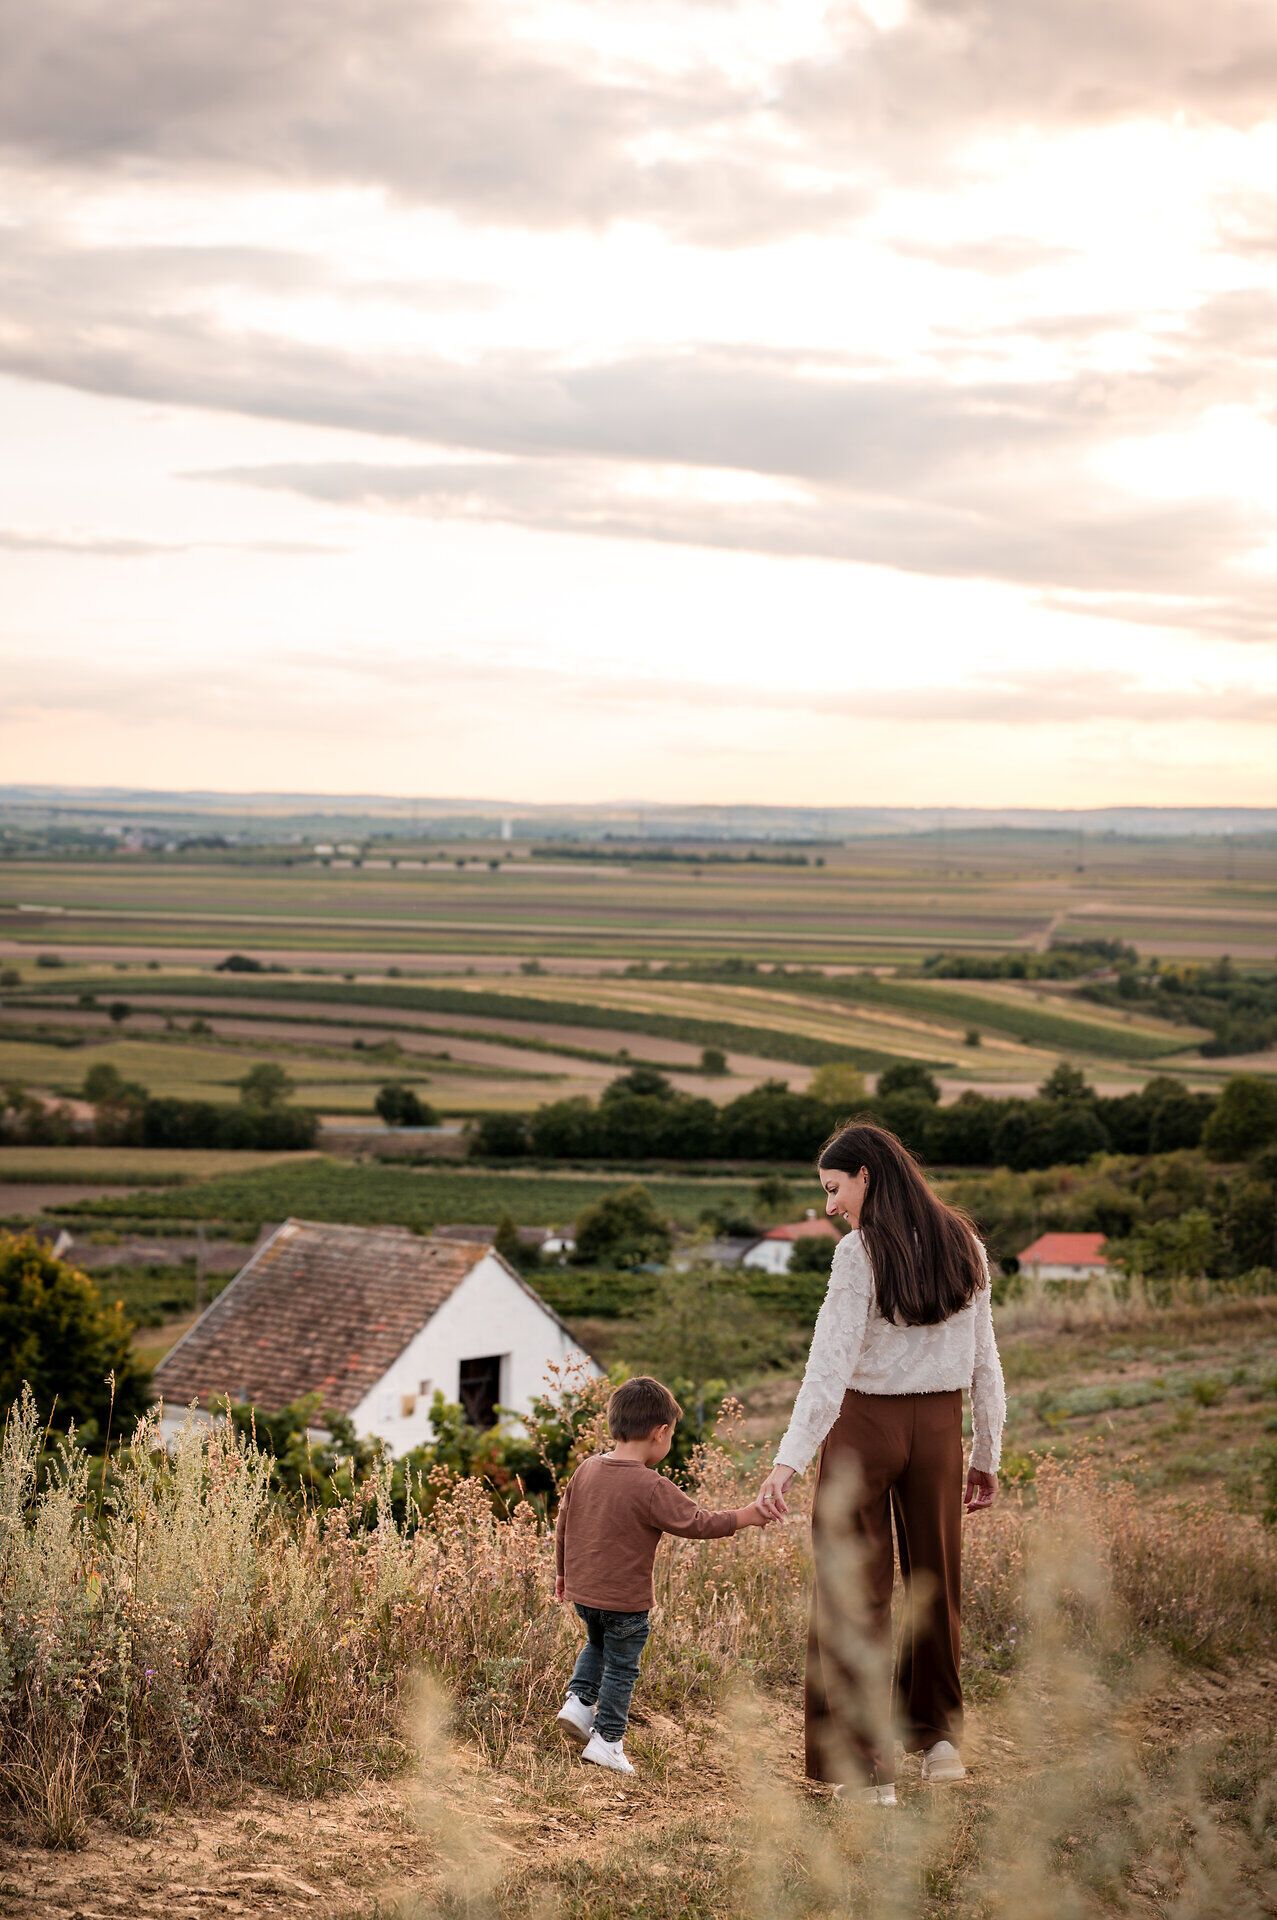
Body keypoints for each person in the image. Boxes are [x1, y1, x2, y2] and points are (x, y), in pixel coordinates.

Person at [755, 1119, 1006, 1806]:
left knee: (851, 1592)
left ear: (866, 1175)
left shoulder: (857, 1254)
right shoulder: (966, 1243)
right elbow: (985, 1361)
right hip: (939, 1429)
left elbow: (827, 1366)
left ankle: (866, 1777)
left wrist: (788, 1460)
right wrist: (985, 1451)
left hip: (864, 1424)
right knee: (936, 1582)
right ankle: (939, 1743)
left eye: (834, 1188)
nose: (831, 1205)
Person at [554, 1374, 773, 1774]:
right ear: (660, 1433)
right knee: (622, 1666)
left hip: (584, 1593)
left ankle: (579, 1703)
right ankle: (607, 1740)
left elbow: (563, 1522)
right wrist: (747, 1516)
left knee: (596, 1643)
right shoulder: (650, 1485)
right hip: (625, 1600)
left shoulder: (586, 1469)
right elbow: (698, 1522)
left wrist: (561, 1574)